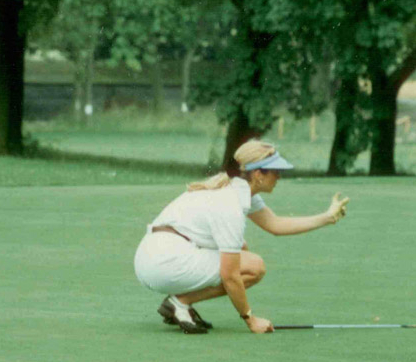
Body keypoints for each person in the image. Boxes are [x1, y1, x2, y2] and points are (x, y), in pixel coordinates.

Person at [133, 139, 350, 334]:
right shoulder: (231, 205)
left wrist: (327, 218)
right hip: (163, 262)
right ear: (258, 174)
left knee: (242, 252)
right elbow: (230, 276)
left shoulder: (239, 191)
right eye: (275, 171)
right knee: (253, 266)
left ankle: (180, 303)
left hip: (155, 257)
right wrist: (250, 319)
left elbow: (275, 224)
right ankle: (179, 303)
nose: (279, 176)